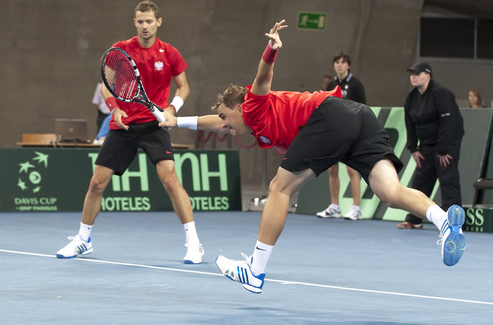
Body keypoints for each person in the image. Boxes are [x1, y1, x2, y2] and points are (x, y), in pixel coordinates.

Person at [160, 20, 466, 294]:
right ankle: (445, 222)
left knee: (280, 188)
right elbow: (214, 122)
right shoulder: (251, 123)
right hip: (360, 118)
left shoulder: (252, 104)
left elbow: (263, 76)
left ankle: (255, 271)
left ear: (240, 106)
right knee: (391, 192)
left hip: (329, 116)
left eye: (227, 116)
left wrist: (271, 49)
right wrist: (179, 120)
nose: (224, 125)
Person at [56, 0, 204, 264]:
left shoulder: (169, 53)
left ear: (159, 22)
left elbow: (184, 88)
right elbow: (106, 86)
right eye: (140, 21)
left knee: (170, 181)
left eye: (149, 21)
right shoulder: (120, 50)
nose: (144, 25)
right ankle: (83, 240)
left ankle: (194, 243)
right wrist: (114, 108)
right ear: (134, 22)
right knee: (97, 183)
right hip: (123, 125)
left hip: (155, 125)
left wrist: (171, 107)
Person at [397, 63, 464, 230]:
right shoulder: (411, 98)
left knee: (448, 180)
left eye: (417, 73)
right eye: (411, 73)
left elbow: (450, 122)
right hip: (426, 145)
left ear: (427, 75)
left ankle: (454, 223)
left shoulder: (441, 93)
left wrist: (443, 150)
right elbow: (410, 124)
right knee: (421, 181)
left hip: (447, 144)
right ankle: (414, 219)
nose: (413, 76)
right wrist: (413, 149)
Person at [316, 52, 366, 220]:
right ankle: (334, 207)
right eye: (337, 62)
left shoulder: (356, 85)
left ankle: (356, 208)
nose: (339, 65)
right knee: (331, 169)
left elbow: (363, 109)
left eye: (343, 62)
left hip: (352, 132)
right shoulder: (330, 84)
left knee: (352, 169)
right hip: (333, 132)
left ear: (348, 65)